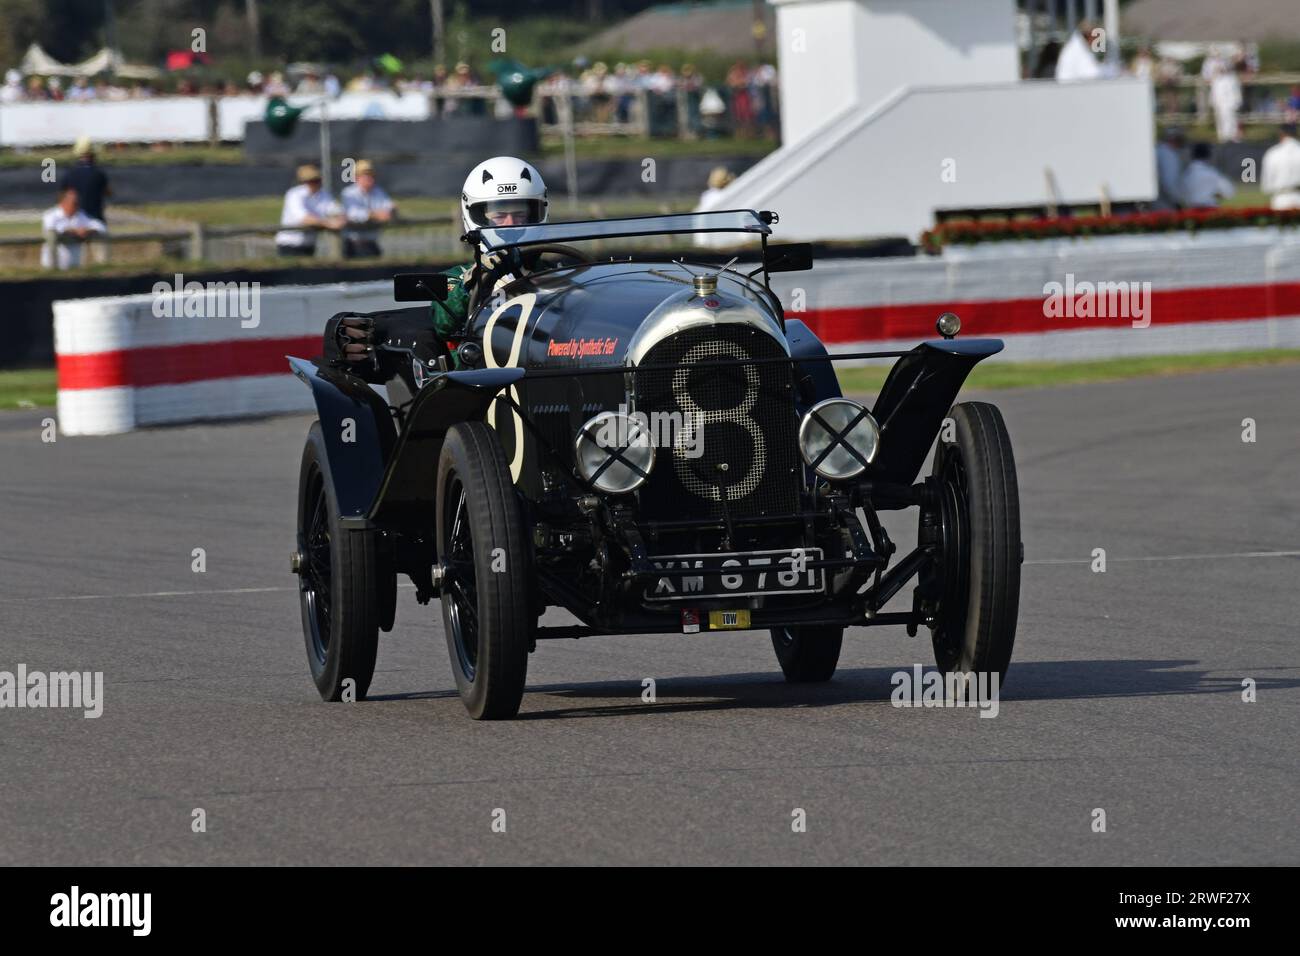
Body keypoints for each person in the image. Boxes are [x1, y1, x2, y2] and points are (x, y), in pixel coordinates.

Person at [326, 156, 549, 371]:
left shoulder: (558, 273)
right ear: (479, 215)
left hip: (549, 366)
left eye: (520, 215)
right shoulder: (458, 278)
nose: (510, 225)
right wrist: (472, 283)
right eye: (499, 216)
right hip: (483, 376)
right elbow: (444, 324)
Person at [275, 165, 344, 257]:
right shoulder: (294, 194)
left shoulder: (324, 194)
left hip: (310, 245)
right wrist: (328, 223)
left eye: (317, 180)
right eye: (312, 180)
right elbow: (304, 218)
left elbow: (336, 209)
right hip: (289, 244)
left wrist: (341, 219)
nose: (315, 183)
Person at [340, 160, 397, 259]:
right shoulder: (349, 193)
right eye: (365, 175)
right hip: (354, 244)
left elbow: (388, 206)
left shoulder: (378, 191)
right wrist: (375, 215)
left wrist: (391, 211)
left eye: (371, 175)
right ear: (356, 177)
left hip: (372, 242)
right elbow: (353, 214)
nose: (370, 178)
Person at [41, 186, 106, 270]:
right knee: (52, 235)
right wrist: (75, 230)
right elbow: (52, 229)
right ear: (63, 202)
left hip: (74, 266)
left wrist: (87, 230)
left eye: (77, 202)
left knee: (99, 235)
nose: (77, 204)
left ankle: (102, 266)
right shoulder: (50, 215)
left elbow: (100, 226)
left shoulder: (80, 215)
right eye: (74, 202)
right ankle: (53, 268)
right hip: (52, 266)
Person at [63, 136, 111, 226]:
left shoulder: (70, 173)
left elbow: (64, 195)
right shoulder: (99, 173)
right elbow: (108, 192)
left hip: (75, 221)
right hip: (96, 219)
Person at [1179, 143, 1234, 208]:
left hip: (1191, 210)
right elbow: (1228, 191)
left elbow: (1180, 194)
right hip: (1210, 209)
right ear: (1208, 155)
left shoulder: (1186, 174)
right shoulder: (1212, 173)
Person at [1261, 123, 1300, 210]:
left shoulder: (1273, 153)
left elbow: (1266, 185)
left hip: (1280, 199)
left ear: (1281, 134)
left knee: (1279, 223)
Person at [1154, 127, 1185, 210]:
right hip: (1166, 204)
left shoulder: (1159, 150)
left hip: (1158, 201)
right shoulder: (1168, 155)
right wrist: (1177, 201)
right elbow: (1169, 182)